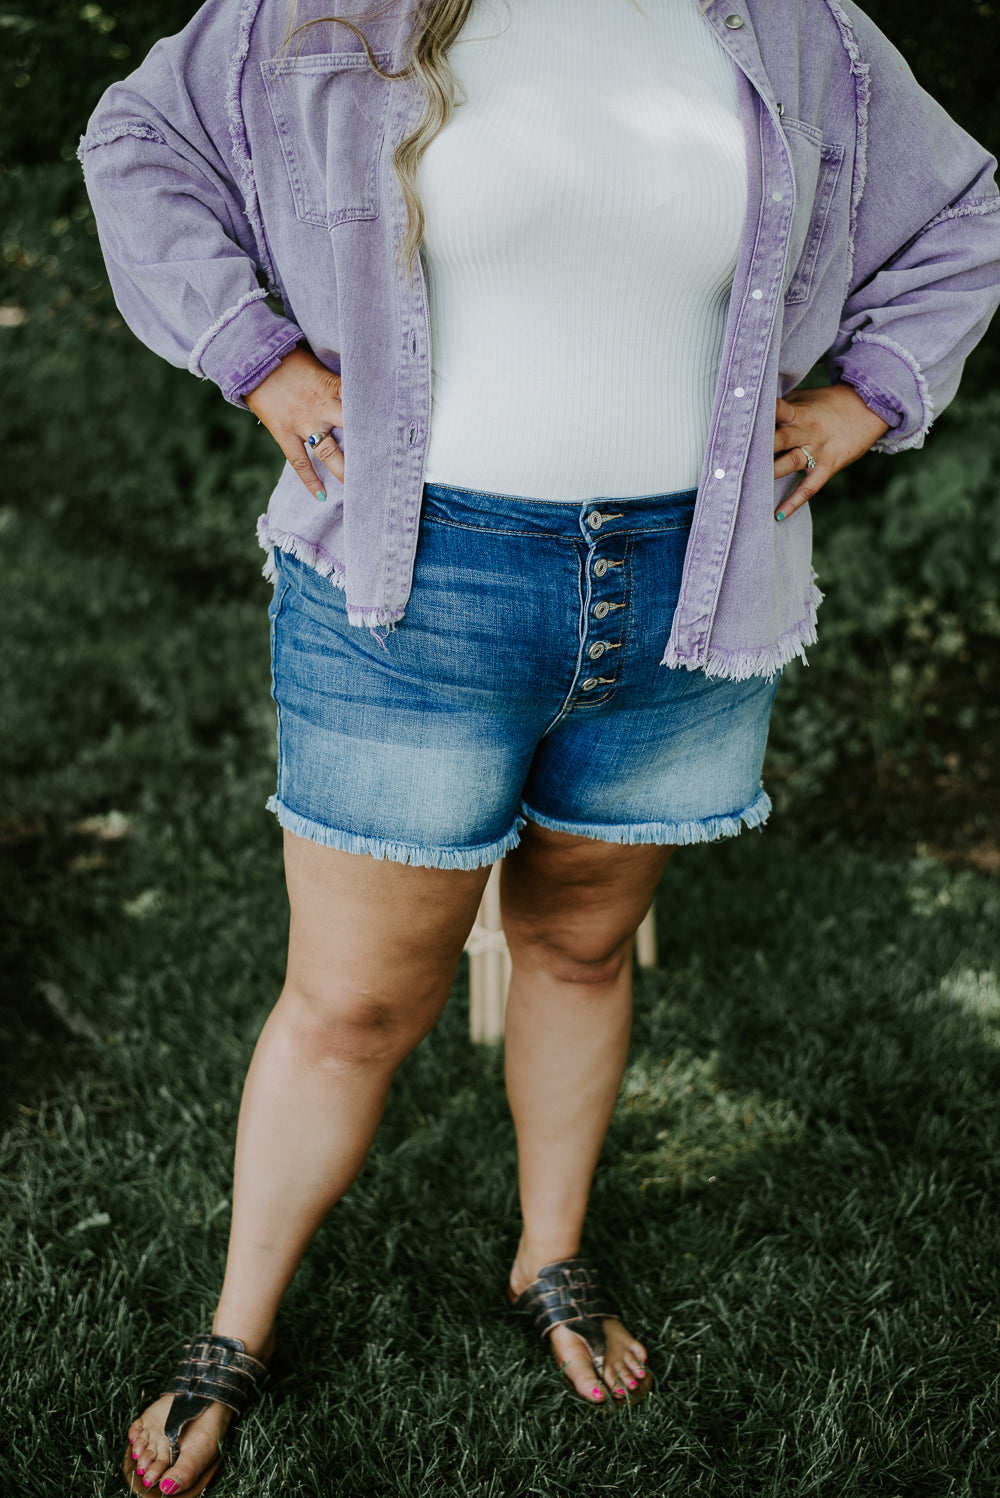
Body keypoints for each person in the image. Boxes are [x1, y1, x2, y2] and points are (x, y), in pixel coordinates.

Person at [81, 0, 1000, 1493]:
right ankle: (233, 1330)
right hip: (417, 587)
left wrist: (866, 396)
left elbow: (967, 206)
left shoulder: (795, 27)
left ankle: (549, 1253)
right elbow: (139, 140)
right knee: (354, 1003)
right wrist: (258, 359)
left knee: (579, 947)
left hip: (686, 587)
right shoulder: (326, 10)